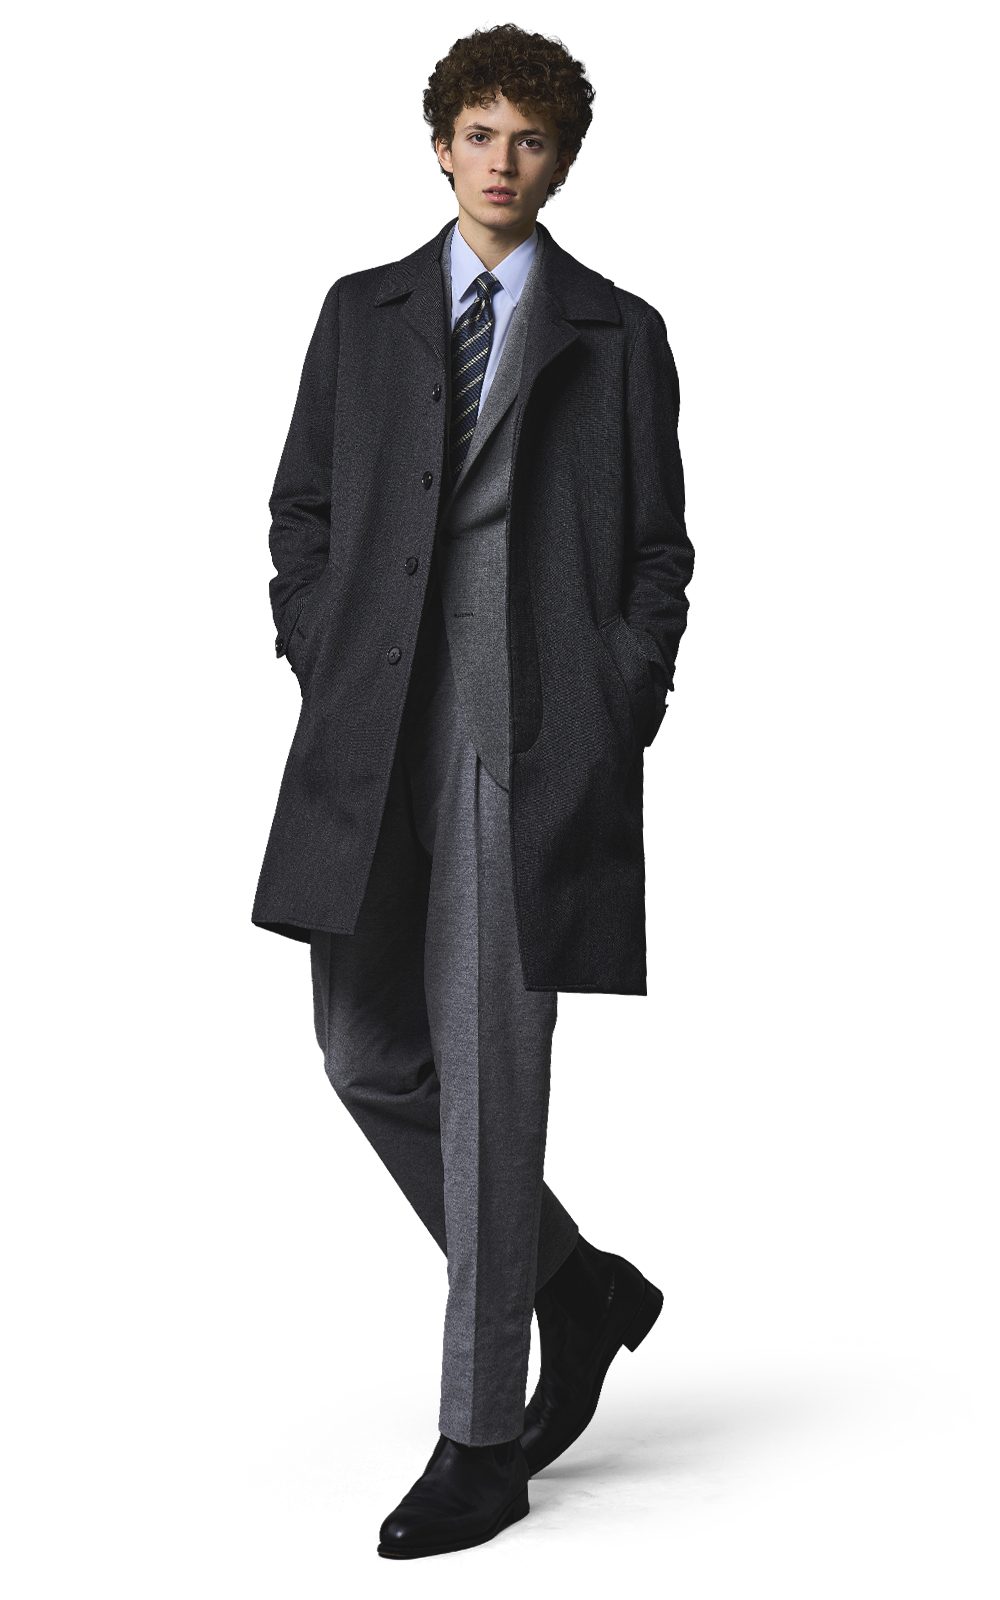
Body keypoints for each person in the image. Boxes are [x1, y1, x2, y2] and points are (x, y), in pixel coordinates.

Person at [252, 22, 694, 1559]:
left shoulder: (618, 333)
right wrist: (321, 647)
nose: (506, 162)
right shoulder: (360, 313)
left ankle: (480, 1438)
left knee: (493, 1081)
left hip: (530, 731)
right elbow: (302, 509)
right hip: (373, 726)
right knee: (366, 1054)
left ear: (562, 160)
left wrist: (614, 703)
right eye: (483, 133)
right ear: (441, 145)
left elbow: (658, 550)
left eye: (533, 140)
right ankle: (576, 1283)